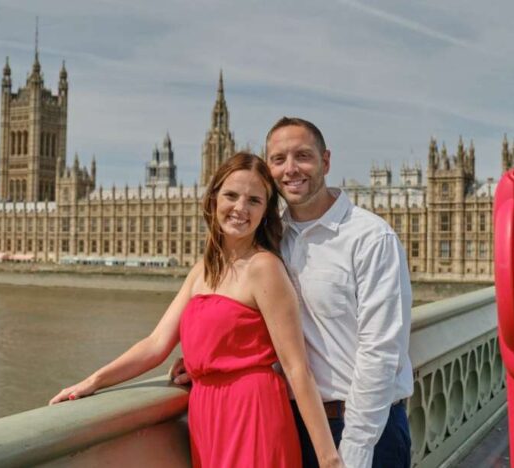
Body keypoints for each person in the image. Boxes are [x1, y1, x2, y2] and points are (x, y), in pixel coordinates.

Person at [50, 153, 343, 468]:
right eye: (231, 195)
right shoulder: (203, 270)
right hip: (207, 415)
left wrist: (329, 460)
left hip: (252, 413)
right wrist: (93, 381)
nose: (240, 208)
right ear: (213, 198)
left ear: (265, 212)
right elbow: (155, 344)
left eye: (254, 201)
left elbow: (297, 368)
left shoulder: (264, 268)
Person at [173, 118, 414, 467]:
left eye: (303, 156)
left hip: (364, 429)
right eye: (278, 159)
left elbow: (380, 353)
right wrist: (209, 356)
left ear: (326, 161)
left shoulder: (371, 238)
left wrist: (354, 451)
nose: (290, 169)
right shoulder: (271, 237)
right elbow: (255, 319)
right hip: (293, 421)